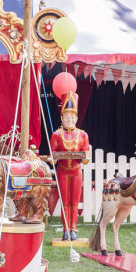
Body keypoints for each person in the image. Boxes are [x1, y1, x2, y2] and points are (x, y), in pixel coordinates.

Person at [48, 91, 90, 241]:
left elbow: (85, 159)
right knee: (65, 201)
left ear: (77, 118)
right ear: (61, 118)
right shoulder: (56, 135)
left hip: (76, 171)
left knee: (74, 202)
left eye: (72, 117)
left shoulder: (83, 135)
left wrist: (84, 157)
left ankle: (74, 229)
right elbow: (52, 158)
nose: (69, 120)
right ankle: (66, 229)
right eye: (66, 117)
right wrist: (53, 158)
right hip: (62, 171)